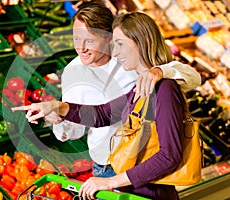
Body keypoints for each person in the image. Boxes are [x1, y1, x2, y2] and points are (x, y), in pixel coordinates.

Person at [17, 11, 193, 200]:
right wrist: (56, 108)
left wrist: (111, 182)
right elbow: (103, 114)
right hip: (129, 183)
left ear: (140, 43)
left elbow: (169, 157)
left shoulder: (164, 88)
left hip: (145, 190)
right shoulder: (138, 89)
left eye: (119, 44)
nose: (115, 52)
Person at [43, 1, 201, 179]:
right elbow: (94, 119)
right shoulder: (73, 74)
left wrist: (160, 71)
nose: (81, 48)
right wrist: (58, 118)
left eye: (90, 41)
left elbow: (193, 78)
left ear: (108, 37)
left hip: (147, 162)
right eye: (77, 39)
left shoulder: (129, 55)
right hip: (109, 166)